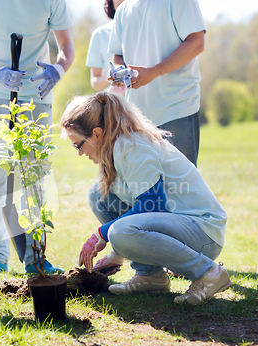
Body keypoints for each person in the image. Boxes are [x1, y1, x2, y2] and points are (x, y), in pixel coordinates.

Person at [61, 92, 231, 305]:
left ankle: (209, 272)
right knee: (99, 196)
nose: (79, 152)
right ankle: (150, 276)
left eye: (78, 145)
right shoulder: (116, 148)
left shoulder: (131, 147)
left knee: (119, 232)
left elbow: (152, 204)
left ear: (96, 133)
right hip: (178, 225)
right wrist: (119, 251)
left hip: (203, 234)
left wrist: (104, 235)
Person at [0, 0, 75, 274]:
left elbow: (67, 47)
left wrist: (57, 70)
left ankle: (35, 256)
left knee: (34, 178)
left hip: (37, 98)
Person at [108, 0, 206, 166]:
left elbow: (196, 43)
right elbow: (118, 55)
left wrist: (154, 72)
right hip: (137, 117)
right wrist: (118, 71)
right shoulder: (124, 9)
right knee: (145, 189)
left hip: (177, 109)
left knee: (181, 189)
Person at [86, 0, 125, 94]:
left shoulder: (147, 29)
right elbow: (95, 82)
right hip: (115, 104)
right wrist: (112, 75)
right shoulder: (100, 34)